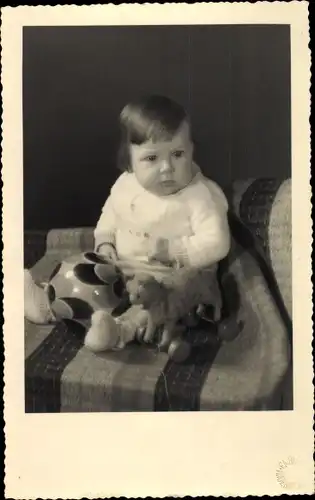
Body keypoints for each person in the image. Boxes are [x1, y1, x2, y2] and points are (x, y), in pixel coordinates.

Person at [84, 94, 231, 351]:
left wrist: (175, 251)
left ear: (191, 150)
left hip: (171, 278)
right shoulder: (126, 185)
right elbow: (111, 213)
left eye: (177, 154)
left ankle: (119, 331)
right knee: (85, 272)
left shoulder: (199, 196)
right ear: (128, 160)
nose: (167, 168)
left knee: (158, 304)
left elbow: (217, 243)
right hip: (125, 269)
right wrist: (105, 240)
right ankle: (47, 302)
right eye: (152, 158)